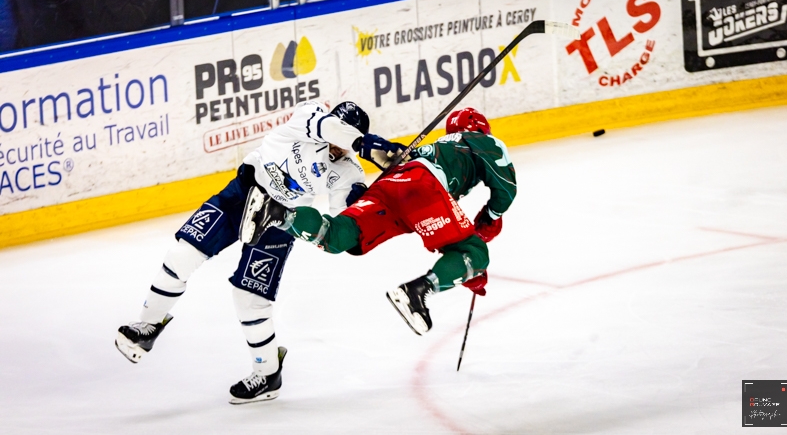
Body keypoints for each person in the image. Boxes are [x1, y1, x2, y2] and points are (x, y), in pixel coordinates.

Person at [115, 100, 374, 404]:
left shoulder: (348, 171)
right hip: (242, 194)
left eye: (346, 142)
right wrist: (359, 140)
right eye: (340, 133)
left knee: (250, 300)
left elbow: (343, 227)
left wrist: (366, 201)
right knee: (182, 255)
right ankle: (147, 326)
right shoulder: (311, 117)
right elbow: (329, 128)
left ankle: (267, 374)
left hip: (278, 219)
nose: (336, 144)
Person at [252, 107, 517, 335]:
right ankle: (417, 292)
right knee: (475, 252)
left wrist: (462, 267)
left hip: (393, 184)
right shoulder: (486, 142)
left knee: (338, 236)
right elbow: (506, 189)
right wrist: (487, 226)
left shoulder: (439, 148)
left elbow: (431, 201)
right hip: (424, 186)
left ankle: (279, 213)